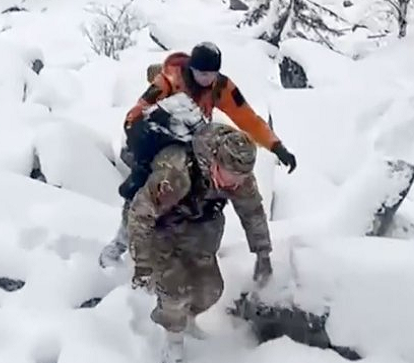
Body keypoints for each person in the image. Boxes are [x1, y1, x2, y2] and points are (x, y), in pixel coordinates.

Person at [98, 41, 296, 268]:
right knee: (147, 188)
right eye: (202, 74)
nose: (207, 79)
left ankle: (184, 253)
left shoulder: (219, 86)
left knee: (200, 197)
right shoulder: (168, 81)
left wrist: (276, 146)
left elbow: (247, 117)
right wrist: (148, 125)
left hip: (196, 140)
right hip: (158, 141)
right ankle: (120, 244)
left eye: (212, 73)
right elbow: (135, 113)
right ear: (191, 68)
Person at [126, 122, 273, 363]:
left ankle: (187, 321)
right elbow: (140, 214)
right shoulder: (176, 173)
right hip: (161, 229)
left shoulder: (240, 176)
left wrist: (262, 252)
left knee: (211, 289)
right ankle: (173, 342)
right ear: (216, 163)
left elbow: (253, 212)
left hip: (200, 230)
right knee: (175, 289)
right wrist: (142, 263)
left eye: (242, 178)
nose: (236, 184)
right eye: (232, 176)